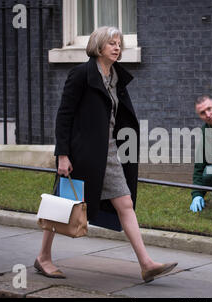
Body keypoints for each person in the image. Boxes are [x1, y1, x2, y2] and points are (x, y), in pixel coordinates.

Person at [34, 26, 177, 282]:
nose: (117, 47)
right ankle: (43, 257)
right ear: (98, 46)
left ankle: (146, 263)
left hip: (109, 150)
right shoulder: (80, 75)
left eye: (119, 44)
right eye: (111, 43)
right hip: (82, 153)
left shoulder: (114, 76)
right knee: (64, 204)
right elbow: (64, 116)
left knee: (125, 203)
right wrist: (63, 155)